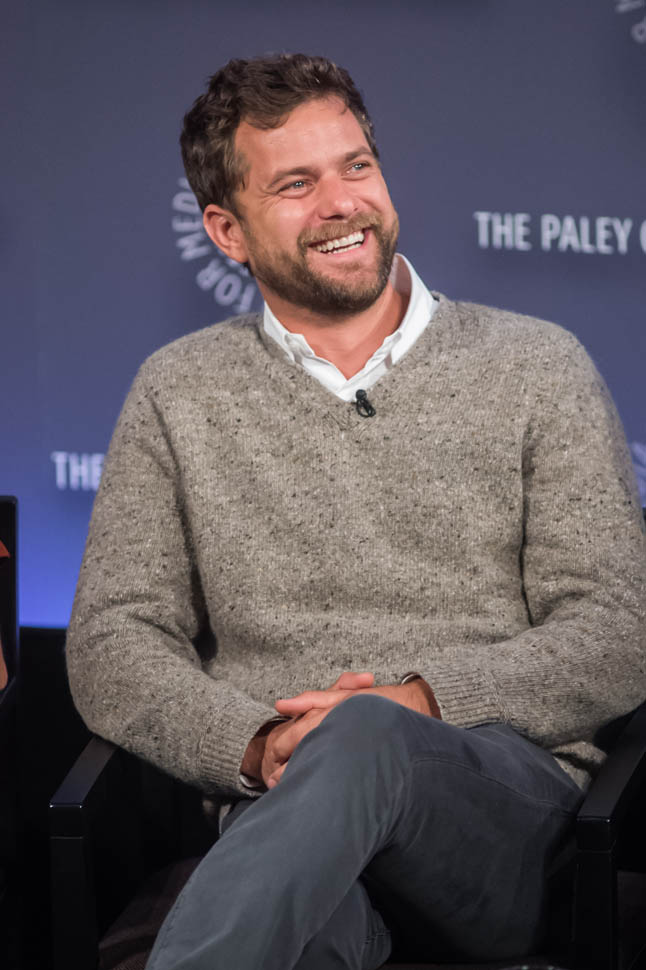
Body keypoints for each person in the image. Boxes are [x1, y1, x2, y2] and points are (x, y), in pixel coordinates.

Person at [66, 54, 646, 970]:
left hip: (497, 821)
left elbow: (619, 630)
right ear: (227, 230)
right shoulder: (178, 391)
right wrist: (256, 745)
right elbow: (113, 640)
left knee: (367, 733)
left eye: (357, 166)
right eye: (296, 184)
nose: (343, 203)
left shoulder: (537, 367)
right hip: (286, 821)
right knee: (299, 936)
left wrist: (418, 701)